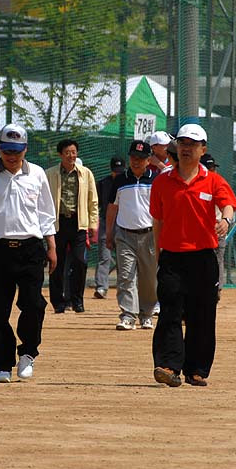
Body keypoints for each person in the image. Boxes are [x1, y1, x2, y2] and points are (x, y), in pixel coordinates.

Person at [149, 124, 236, 388]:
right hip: (172, 258)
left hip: (203, 258)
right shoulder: (163, 181)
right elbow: (158, 221)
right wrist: (157, 252)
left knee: (202, 316)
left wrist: (225, 219)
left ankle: (197, 369)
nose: (186, 148)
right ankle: (168, 365)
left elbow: (228, 205)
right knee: (170, 312)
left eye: (193, 144)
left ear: (203, 149)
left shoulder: (213, 180)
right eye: (183, 143)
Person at [0, 123, 57, 383]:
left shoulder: (37, 174)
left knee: (33, 303)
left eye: (17, 151)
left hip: (30, 248)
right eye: (7, 150)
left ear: (25, 149)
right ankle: (3, 364)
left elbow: (45, 214)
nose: (11, 156)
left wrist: (51, 246)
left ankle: (28, 352)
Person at [106, 140, 157, 331]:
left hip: (150, 235)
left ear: (148, 160)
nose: (136, 161)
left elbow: (162, 210)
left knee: (149, 278)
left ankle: (147, 314)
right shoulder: (120, 180)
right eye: (134, 157)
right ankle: (128, 314)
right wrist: (109, 233)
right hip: (125, 235)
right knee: (126, 276)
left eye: (141, 158)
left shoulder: (156, 179)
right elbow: (112, 208)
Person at [45, 139, 98, 313]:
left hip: (78, 223)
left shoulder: (85, 173)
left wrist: (93, 224)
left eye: (74, 152)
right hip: (57, 223)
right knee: (56, 263)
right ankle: (58, 302)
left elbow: (93, 200)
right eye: (67, 152)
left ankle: (77, 301)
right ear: (60, 154)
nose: (71, 156)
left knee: (80, 261)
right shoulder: (50, 174)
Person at [199, 153, 231, 300]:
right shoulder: (196, 184)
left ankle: (217, 290)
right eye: (209, 168)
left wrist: (225, 221)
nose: (212, 170)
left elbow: (228, 205)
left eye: (213, 168)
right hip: (200, 231)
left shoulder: (219, 183)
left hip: (217, 230)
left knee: (218, 260)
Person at [93, 156, 124, 299]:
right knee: (104, 256)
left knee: (123, 258)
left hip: (124, 222)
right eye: (115, 171)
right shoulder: (103, 183)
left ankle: (123, 287)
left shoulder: (127, 181)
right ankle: (101, 287)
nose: (117, 174)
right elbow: (97, 203)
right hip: (106, 221)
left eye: (119, 171)